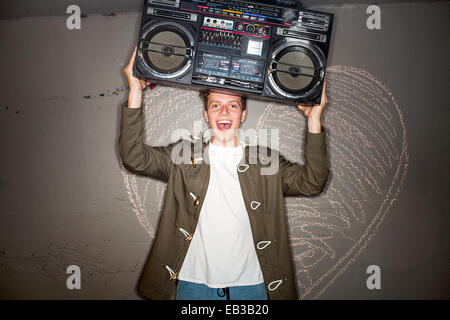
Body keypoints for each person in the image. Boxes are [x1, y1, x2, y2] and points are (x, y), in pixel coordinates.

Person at [119, 47, 329, 300]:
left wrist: (314, 119)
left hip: (252, 284)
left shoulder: (266, 161)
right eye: (216, 105)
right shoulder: (183, 156)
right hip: (194, 283)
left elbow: (312, 182)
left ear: (243, 114)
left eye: (232, 105)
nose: (224, 112)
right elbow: (134, 158)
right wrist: (135, 90)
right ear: (206, 114)